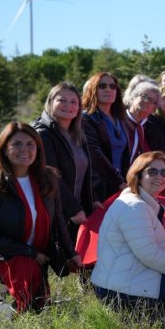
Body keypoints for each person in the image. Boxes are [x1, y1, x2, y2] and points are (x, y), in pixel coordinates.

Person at [0, 123, 81, 315]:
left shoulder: (48, 178)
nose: (25, 150)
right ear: (4, 150)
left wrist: (71, 254)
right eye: (17, 144)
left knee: (37, 299)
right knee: (31, 303)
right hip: (2, 253)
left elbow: (57, 223)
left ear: (38, 148)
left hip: (39, 253)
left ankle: (1, 306)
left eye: (30, 144)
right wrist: (30, 253)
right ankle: (7, 309)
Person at [90, 152, 165, 308]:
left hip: (124, 277)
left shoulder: (143, 202)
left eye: (164, 172)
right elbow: (149, 255)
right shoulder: (135, 207)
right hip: (117, 289)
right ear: (138, 175)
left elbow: (141, 246)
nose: (160, 177)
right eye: (152, 172)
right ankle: (160, 324)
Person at [33, 82, 94, 245]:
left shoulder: (78, 134)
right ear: (50, 101)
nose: (68, 106)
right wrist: (73, 209)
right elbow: (50, 175)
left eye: (74, 102)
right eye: (62, 100)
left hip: (75, 209)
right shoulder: (43, 134)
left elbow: (83, 174)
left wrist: (90, 202)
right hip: (56, 211)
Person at [81, 72, 128, 204]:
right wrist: (118, 181)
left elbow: (125, 154)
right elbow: (95, 154)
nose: (108, 89)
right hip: (99, 187)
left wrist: (126, 180)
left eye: (112, 86)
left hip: (120, 185)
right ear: (93, 90)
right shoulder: (87, 118)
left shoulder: (120, 118)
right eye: (102, 86)